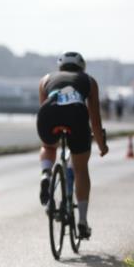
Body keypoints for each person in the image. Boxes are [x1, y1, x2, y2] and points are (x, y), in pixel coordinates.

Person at [36, 52, 108, 240]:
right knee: (80, 169)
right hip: (76, 118)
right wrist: (102, 146)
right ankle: (82, 222)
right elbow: (95, 121)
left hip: (48, 116)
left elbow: (43, 108)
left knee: (49, 146)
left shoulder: (45, 79)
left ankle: (46, 173)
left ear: (60, 67)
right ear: (81, 67)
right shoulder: (89, 81)